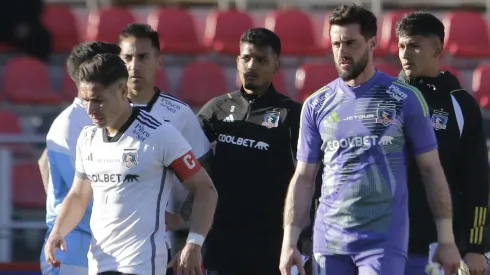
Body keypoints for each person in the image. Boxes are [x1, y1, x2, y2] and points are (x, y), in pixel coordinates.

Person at [279, 4, 462, 275]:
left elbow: (431, 170)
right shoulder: (316, 104)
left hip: (383, 242)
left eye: (350, 43)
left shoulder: (404, 99)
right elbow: (304, 177)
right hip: (329, 242)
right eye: (336, 43)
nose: (342, 52)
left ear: (372, 43)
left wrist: (446, 239)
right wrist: (289, 242)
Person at [43, 53, 218, 275]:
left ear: (123, 91)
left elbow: (205, 189)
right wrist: (58, 231)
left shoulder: (160, 135)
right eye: (86, 100)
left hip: (141, 265)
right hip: (98, 264)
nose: (90, 110)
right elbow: (79, 195)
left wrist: (194, 242)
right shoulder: (88, 137)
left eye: (98, 100)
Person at [197, 27, 302, 275]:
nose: (251, 65)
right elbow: (184, 159)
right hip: (221, 242)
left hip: (271, 244)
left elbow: (309, 176)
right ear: (237, 60)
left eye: (262, 60)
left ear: (276, 65)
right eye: (246, 58)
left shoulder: (292, 114)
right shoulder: (216, 109)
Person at [395, 11, 489, 275]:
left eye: (414, 45)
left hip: (438, 246)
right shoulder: (384, 99)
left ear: (437, 48)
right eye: (401, 45)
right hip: (385, 242)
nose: (405, 53)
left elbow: (476, 181)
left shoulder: (460, 104)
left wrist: (474, 246)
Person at [40, 41, 121, 275]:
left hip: (101, 250)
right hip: (71, 251)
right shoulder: (70, 125)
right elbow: (83, 193)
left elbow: (42, 162)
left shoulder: (104, 119)